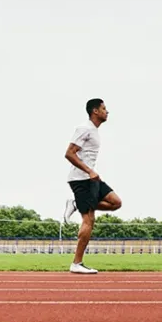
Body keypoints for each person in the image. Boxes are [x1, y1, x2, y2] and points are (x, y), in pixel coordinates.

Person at [62, 98, 122, 274]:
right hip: (81, 179)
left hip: (91, 178)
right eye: (104, 108)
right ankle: (76, 263)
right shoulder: (84, 128)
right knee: (89, 220)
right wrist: (89, 171)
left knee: (115, 202)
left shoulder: (94, 131)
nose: (107, 111)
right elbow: (69, 153)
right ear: (95, 111)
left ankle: (75, 203)